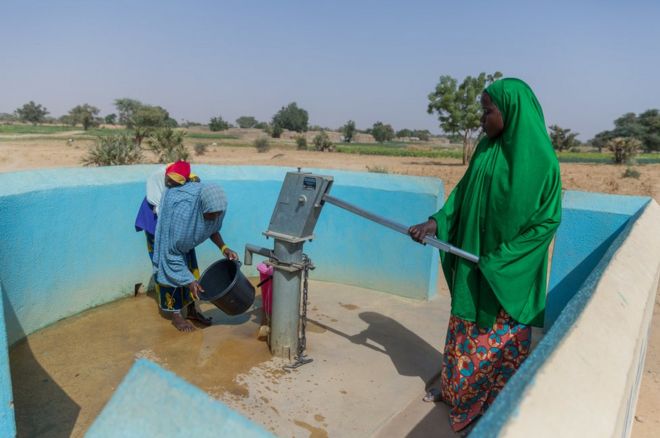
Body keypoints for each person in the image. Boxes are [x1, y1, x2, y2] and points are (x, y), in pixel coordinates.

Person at [409, 78, 562, 432]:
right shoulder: (485, 150)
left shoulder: (543, 165)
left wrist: (502, 260)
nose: (481, 117)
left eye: (487, 109)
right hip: (473, 264)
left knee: (496, 349)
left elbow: (547, 222)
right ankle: (456, 394)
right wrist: (436, 221)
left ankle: (487, 410)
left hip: (508, 274)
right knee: (463, 335)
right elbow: (462, 193)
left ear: (509, 111)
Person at [152, 181, 239, 332]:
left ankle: (191, 311)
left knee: (192, 271)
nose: (215, 217)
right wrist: (189, 281)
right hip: (166, 232)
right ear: (201, 208)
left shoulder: (216, 209)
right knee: (170, 273)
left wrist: (224, 248)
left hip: (184, 238)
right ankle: (176, 315)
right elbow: (171, 253)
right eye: (212, 214)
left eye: (218, 213)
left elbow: (212, 229)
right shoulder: (183, 216)